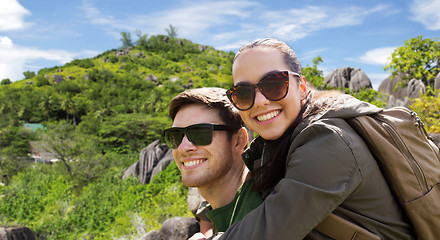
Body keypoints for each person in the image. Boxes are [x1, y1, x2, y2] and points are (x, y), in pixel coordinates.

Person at [208, 38, 415, 239]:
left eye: (274, 84)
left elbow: (270, 230)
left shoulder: (330, 140)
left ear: (302, 88)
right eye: (243, 93)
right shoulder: (276, 146)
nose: (260, 101)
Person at [163, 87, 263, 238]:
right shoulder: (225, 208)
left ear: (238, 140)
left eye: (200, 133)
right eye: (176, 136)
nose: (183, 147)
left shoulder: (264, 212)